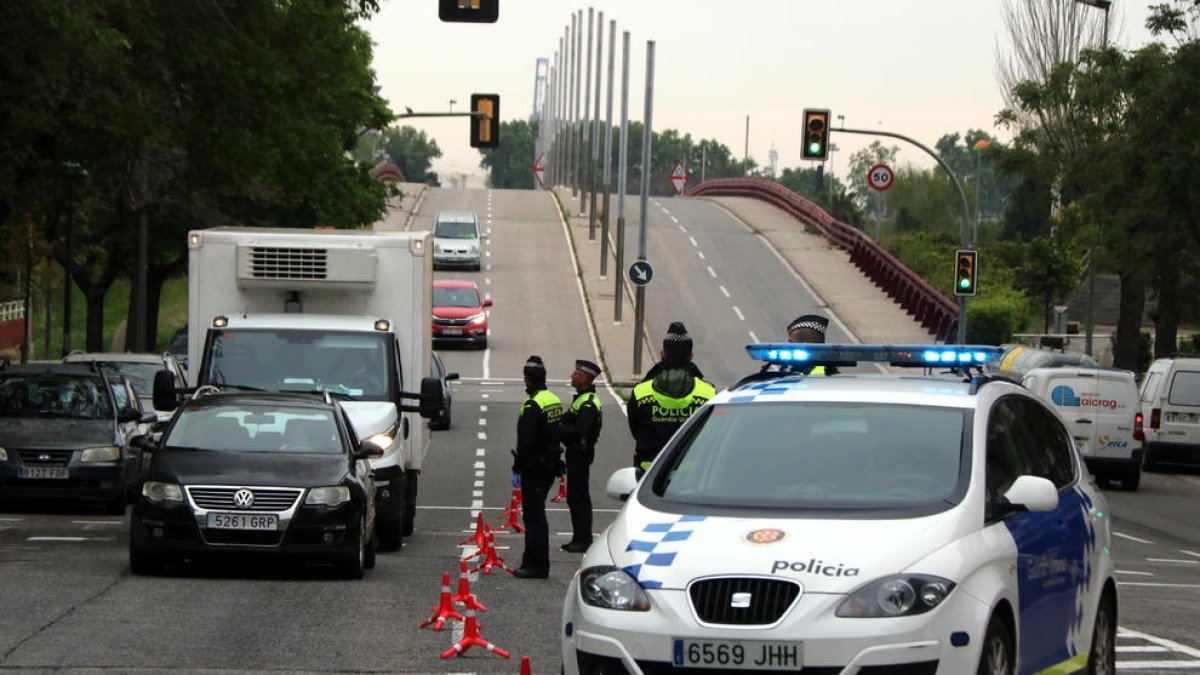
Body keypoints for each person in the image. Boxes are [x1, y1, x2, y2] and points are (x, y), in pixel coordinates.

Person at [627, 321, 716, 473]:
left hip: (648, 476)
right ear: (691, 356)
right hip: (693, 476)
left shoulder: (641, 392)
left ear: (662, 354)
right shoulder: (708, 393)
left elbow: (636, 431)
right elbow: (712, 435)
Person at [510, 355, 563, 579]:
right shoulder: (553, 400)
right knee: (536, 515)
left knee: (534, 517)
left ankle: (537, 564)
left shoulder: (532, 405)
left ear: (527, 378)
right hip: (550, 464)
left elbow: (526, 442)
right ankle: (532, 561)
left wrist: (517, 468)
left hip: (535, 468)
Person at [559, 359, 603, 553]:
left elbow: (580, 431)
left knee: (579, 497)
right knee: (575, 496)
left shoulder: (588, 403)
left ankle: (583, 539)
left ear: (584, 378)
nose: (572, 376)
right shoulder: (582, 399)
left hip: (580, 453)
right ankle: (579, 537)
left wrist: (559, 429)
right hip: (576, 453)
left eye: (576, 374)